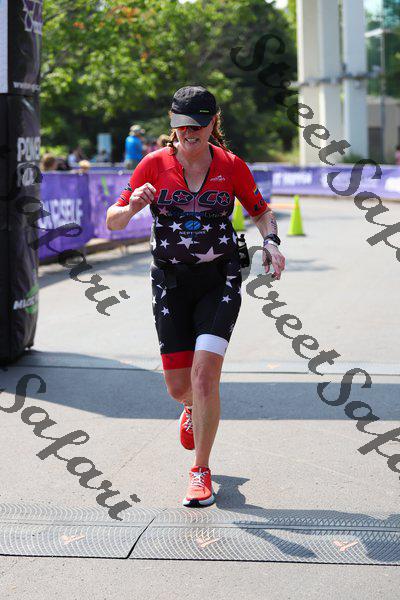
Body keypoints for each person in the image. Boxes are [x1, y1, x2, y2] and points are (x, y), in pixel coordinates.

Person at [106, 85, 285, 508]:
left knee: (205, 376)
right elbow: (113, 222)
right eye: (182, 125)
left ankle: (200, 470)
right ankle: (190, 407)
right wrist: (131, 206)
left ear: (212, 123)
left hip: (220, 279)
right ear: (173, 125)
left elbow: (261, 211)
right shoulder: (153, 164)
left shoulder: (230, 165)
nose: (189, 133)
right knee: (178, 386)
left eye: (198, 125)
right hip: (170, 282)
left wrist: (272, 242)